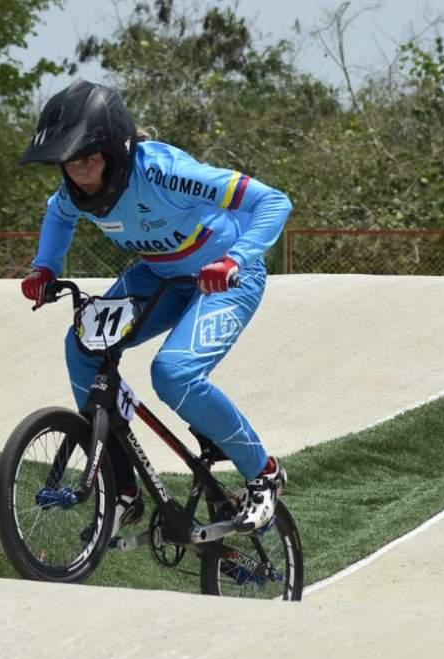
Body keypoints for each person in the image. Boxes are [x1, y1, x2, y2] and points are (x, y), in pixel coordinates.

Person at [17, 79, 292, 535]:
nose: (79, 173)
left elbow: (274, 201)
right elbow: (59, 215)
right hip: (159, 275)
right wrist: (44, 268)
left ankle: (263, 473)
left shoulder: (164, 172)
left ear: (114, 152)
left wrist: (235, 259)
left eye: (88, 160)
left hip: (225, 279)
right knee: (82, 347)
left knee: (173, 374)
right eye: (69, 163)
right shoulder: (73, 192)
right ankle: (122, 490)